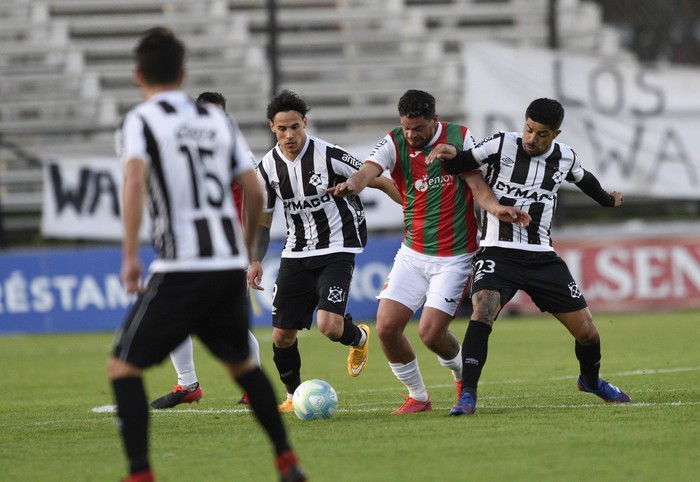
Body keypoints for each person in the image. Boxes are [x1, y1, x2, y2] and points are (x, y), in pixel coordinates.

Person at [107, 28, 305, 482]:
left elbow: (134, 183)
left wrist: (129, 254)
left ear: (138, 75)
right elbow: (255, 189)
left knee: (122, 365)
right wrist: (240, 243)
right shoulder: (218, 122)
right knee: (243, 364)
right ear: (183, 73)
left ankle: (139, 472)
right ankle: (286, 458)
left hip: (180, 264)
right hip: (223, 263)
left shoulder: (139, 121)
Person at [328, 89, 530, 414]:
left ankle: (463, 378)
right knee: (387, 328)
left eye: (418, 128)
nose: (411, 134)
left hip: (455, 257)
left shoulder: (459, 138)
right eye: (406, 127)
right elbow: (368, 171)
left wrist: (496, 208)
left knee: (431, 333)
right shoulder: (395, 142)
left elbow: (478, 186)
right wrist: (352, 185)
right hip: (412, 254)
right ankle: (418, 397)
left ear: (434, 121)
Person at [426, 97, 632, 416]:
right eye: (529, 129)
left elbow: (584, 178)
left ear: (556, 134)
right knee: (483, 311)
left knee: (588, 333)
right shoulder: (500, 144)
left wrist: (607, 200)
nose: (532, 139)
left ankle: (590, 381)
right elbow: (462, 163)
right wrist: (449, 155)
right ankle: (467, 395)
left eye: (541, 134)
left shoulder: (565, 157)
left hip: (541, 257)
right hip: (497, 252)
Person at [247, 89, 402, 413]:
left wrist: (414, 210)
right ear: (272, 128)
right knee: (281, 336)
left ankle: (358, 338)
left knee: (329, 327)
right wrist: (255, 260)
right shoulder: (267, 168)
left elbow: (379, 180)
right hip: (296, 251)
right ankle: (292, 396)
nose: (289, 135)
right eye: (282, 128)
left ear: (305, 122)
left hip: (337, 245)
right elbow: (263, 219)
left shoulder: (329, 155)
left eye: (295, 127)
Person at [149, 91, 260, 409]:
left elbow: (257, 191)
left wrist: (250, 252)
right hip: (187, 249)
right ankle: (188, 384)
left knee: (228, 322)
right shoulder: (183, 151)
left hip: (226, 250)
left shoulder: (236, 151)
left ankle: (253, 387)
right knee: (170, 316)